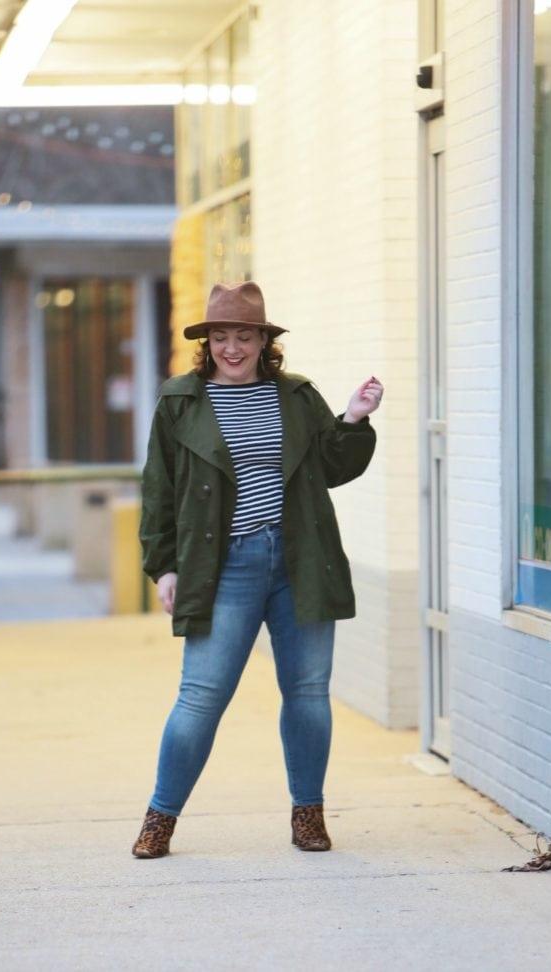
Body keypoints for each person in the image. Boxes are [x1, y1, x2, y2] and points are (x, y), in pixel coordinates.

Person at [133, 281, 383, 858]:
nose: (232, 348)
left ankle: (308, 815)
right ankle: (159, 819)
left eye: (244, 336)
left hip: (299, 560)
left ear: (263, 341)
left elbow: (334, 466)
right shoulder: (181, 401)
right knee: (201, 696)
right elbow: (158, 491)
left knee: (307, 692)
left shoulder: (295, 397)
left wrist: (353, 416)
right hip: (224, 568)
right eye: (221, 336)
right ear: (208, 343)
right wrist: (163, 567)